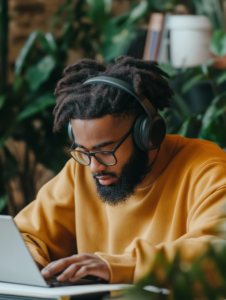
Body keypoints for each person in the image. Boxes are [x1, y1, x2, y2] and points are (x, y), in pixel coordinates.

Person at [15, 56, 226, 284]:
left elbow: (217, 250)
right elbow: (27, 235)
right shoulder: (81, 170)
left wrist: (118, 266)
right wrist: (29, 263)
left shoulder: (208, 170)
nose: (94, 166)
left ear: (147, 135)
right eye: (83, 151)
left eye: (105, 151)